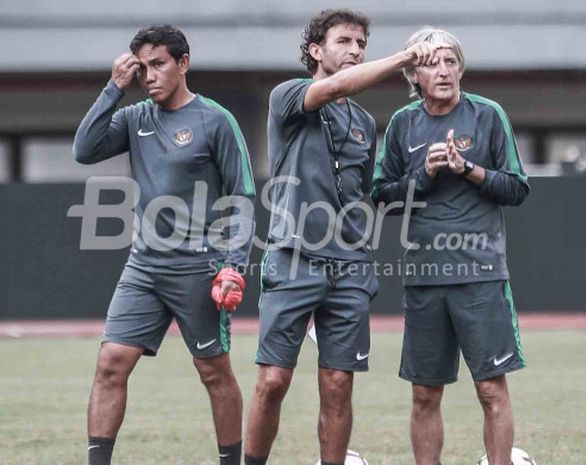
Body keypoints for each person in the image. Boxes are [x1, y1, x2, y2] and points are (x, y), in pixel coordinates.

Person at [243, 10, 447, 465]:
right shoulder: (289, 95)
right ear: (316, 51)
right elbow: (335, 88)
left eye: (360, 43)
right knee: (273, 381)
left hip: (349, 265)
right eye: (344, 41)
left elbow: (366, 192)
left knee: (338, 385)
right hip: (293, 256)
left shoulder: (361, 122)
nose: (355, 50)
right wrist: (406, 58)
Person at [73, 25, 255, 465]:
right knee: (111, 362)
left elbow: (243, 196)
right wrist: (113, 88)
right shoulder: (136, 118)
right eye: (142, 69)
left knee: (213, 371)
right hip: (144, 266)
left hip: (199, 268)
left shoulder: (216, 120)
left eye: (159, 65)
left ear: (183, 64)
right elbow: (84, 149)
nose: (149, 76)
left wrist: (235, 265)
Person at [371, 27, 530, 465]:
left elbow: (517, 188)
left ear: (461, 67)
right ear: (414, 75)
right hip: (424, 278)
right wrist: (423, 173)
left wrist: (469, 170)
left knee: (490, 388)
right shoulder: (403, 124)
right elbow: (381, 196)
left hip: (480, 275)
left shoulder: (489, 114)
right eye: (431, 63)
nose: (443, 71)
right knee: (424, 394)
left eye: (450, 61)